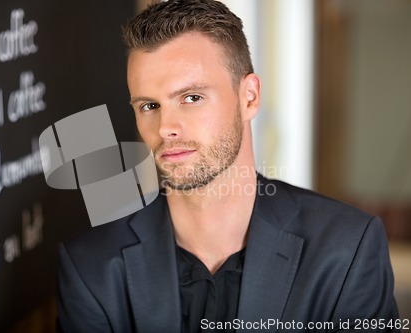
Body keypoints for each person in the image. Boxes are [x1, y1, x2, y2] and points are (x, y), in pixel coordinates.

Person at [56, 1, 400, 332]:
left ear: (249, 97)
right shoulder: (91, 267)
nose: (165, 128)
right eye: (149, 105)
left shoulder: (346, 249)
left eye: (191, 98)